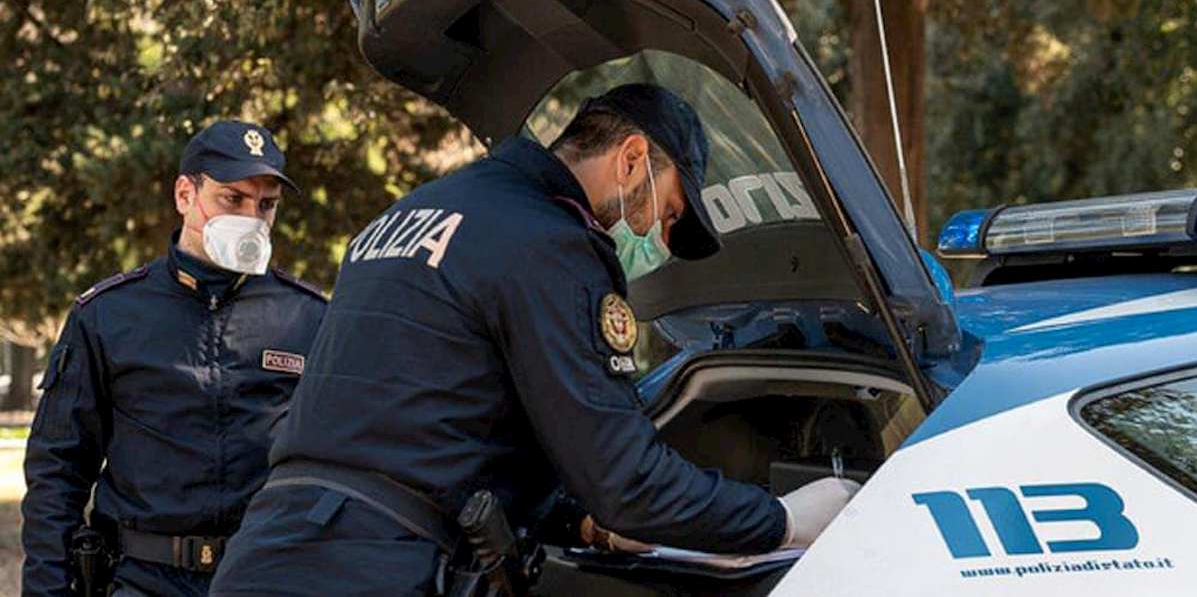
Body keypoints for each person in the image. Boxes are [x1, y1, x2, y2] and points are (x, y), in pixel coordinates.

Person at [210, 85, 858, 596]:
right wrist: (783, 519)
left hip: (266, 549)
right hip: (374, 568)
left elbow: (433, 416)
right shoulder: (548, 242)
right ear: (632, 159)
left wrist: (576, 519)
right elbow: (626, 481)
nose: (657, 237)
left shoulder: (410, 214)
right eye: (664, 210)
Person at [21, 121, 328, 597]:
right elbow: (57, 471)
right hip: (140, 577)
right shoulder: (108, 314)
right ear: (186, 194)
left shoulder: (308, 317)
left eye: (266, 205)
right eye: (232, 199)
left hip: (267, 577)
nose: (253, 219)